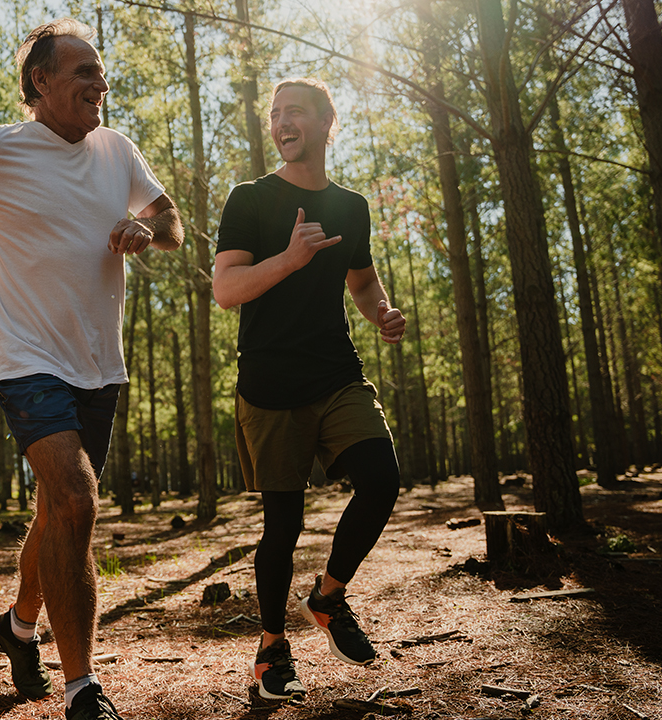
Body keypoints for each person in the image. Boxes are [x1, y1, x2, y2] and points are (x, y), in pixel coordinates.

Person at [0, 18, 183, 720]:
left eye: (101, 71)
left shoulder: (117, 150)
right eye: (84, 71)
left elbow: (170, 218)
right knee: (78, 501)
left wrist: (150, 231)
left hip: (100, 364)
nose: (100, 82)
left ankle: (18, 625)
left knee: (55, 512)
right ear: (41, 82)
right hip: (25, 360)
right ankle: (83, 687)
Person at [212, 77, 406, 702]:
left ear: (327, 123)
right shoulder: (249, 199)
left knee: (382, 478)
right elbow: (227, 290)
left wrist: (381, 312)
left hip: (336, 373)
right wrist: (289, 261)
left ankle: (327, 595)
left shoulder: (351, 207)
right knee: (282, 526)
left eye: (295, 112)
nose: (281, 122)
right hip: (269, 384)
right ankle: (272, 651)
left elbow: (363, 280)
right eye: (275, 114)